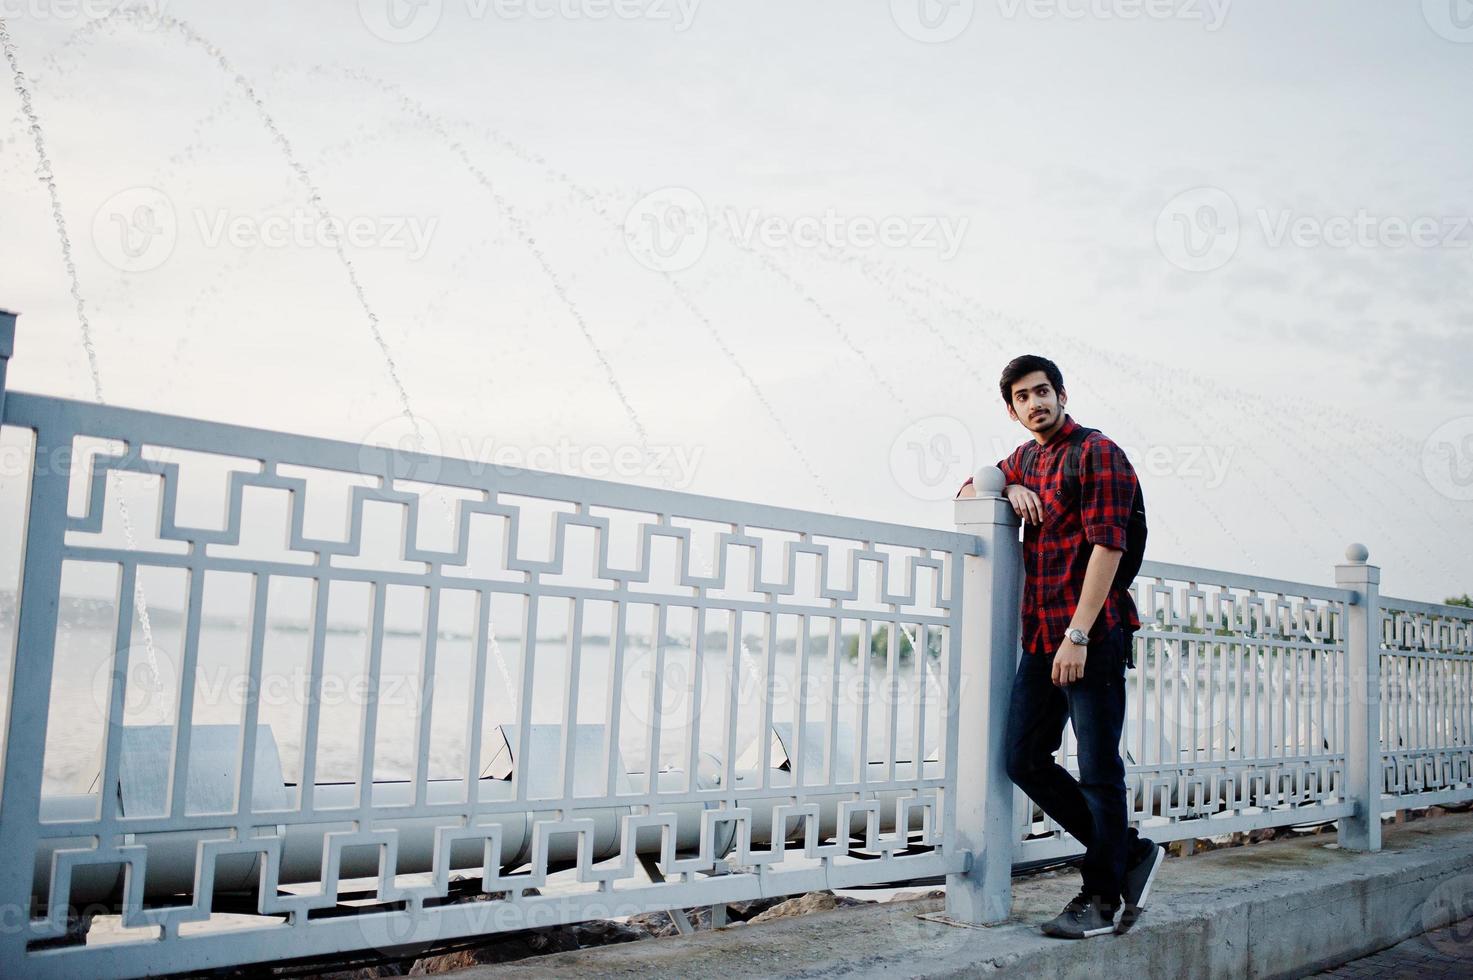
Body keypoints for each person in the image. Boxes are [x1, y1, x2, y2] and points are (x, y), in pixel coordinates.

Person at [956, 354, 1164, 938]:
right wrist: (1011, 484)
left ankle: (1100, 898)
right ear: (1012, 408)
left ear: (1062, 394)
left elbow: (1109, 547)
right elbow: (970, 486)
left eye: (1043, 391)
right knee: (1022, 757)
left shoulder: (1098, 453)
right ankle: (1129, 853)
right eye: (1023, 397)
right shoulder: (1024, 457)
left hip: (1089, 635)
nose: (1035, 403)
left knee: (1098, 769)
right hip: (1040, 637)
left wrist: (1077, 635)